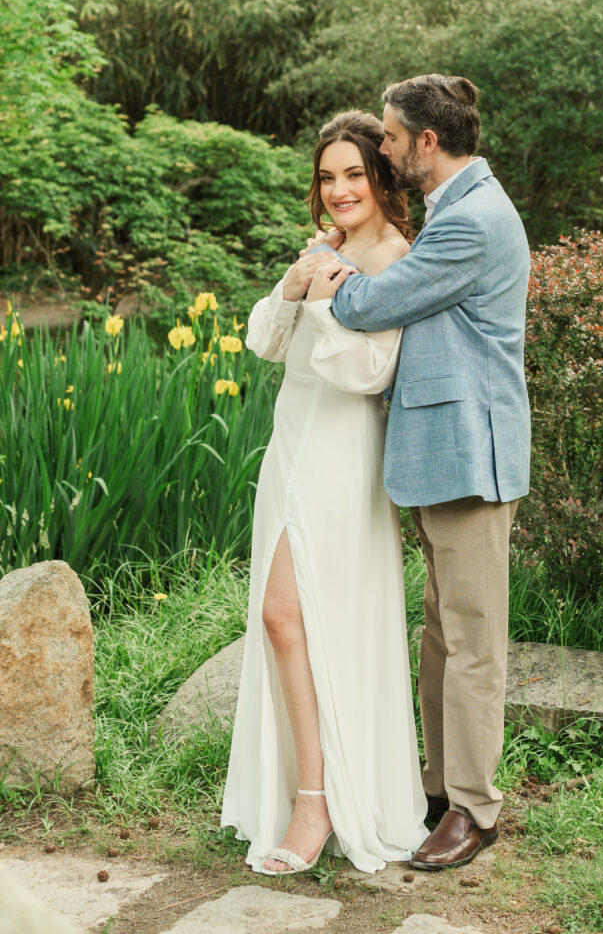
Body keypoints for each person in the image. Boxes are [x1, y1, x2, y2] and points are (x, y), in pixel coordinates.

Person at [329, 74, 531, 871]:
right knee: (444, 634)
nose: (380, 146)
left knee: (473, 640)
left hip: (469, 457)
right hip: (440, 453)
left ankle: (475, 811)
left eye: (387, 135)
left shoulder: (471, 222)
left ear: (426, 141)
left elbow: (369, 306)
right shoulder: (456, 207)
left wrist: (329, 271)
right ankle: (442, 789)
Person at [221, 110, 428, 875]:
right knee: (285, 622)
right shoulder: (328, 247)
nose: (337, 190)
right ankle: (305, 792)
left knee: (290, 616)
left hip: (342, 451)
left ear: (381, 177)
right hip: (292, 443)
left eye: (352, 174)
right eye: (326, 176)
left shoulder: (398, 257)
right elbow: (264, 343)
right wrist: (294, 282)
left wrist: (318, 304)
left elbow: (372, 375)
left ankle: (320, 800)